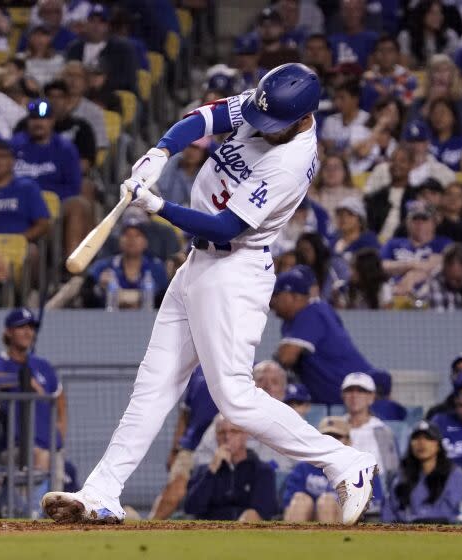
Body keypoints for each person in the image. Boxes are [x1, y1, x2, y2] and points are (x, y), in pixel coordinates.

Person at [42, 64, 379, 526]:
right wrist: (161, 151)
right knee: (154, 384)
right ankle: (103, 491)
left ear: (303, 120)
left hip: (234, 270)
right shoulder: (270, 103)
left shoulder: (292, 161)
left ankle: (345, 463)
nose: (261, 128)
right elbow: (206, 119)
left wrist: (157, 206)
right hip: (198, 266)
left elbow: (227, 226)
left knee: (235, 398)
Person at [272, 265, 373, 404]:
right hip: (340, 398)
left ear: (294, 297)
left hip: (359, 394)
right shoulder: (298, 317)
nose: (271, 301)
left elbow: (286, 357)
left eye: (276, 295)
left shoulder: (311, 312)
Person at [0, 307, 66, 472]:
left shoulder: (42, 365)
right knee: (40, 460)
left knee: (58, 491)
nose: (28, 332)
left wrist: (60, 434)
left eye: (31, 327)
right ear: (8, 332)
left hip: (51, 446)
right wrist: (20, 381)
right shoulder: (0, 364)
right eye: (21, 327)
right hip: (17, 448)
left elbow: (60, 398)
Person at [11, 98, 89, 254]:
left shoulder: (66, 149)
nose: (38, 123)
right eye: (34, 118)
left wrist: (43, 199)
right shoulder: (13, 145)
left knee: (78, 204)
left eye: (44, 119)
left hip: (53, 206)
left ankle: (71, 265)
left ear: (52, 121)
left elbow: (73, 188)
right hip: (20, 203)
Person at [149, 366, 218, 520]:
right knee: (174, 490)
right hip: (191, 448)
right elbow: (185, 414)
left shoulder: (249, 366)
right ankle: (150, 527)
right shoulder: (197, 372)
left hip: (230, 445)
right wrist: (175, 450)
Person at [183, 415, 279, 522]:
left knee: (251, 515)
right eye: (221, 432)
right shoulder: (203, 471)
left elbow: (265, 511)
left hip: (247, 532)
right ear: (216, 437)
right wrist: (211, 471)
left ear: (245, 435)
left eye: (234, 431)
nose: (227, 437)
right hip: (211, 532)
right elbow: (191, 508)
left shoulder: (262, 471)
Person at [283, 417, 368, 523]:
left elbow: (369, 511)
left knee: (327, 503)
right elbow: (288, 506)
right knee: (301, 501)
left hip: (344, 523)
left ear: (349, 441)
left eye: (337, 437)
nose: (331, 441)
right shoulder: (303, 468)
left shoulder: (360, 470)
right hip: (306, 519)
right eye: (326, 437)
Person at [381, 420, 462, 524]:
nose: (421, 443)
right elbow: (390, 507)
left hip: (438, 531)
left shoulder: (453, 473)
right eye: (416, 438)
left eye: (428, 438)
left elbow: (449, 510)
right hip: (402, 532)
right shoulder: (402, 472)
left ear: (438, 445)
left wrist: (416, 519)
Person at [83, 218, 168, 310]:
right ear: (120, 240)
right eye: (126, 235)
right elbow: (87, 294)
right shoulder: (103, 266)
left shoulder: (156, 267)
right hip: (108, 320)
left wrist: (123, 297)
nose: (131, 239)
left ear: (145, 242)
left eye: (137, 235)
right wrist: (98, 288)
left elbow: (161, 299)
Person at [380, 200, 452, 298]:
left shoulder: (444, 243)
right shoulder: (393, 243)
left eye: (424, 219)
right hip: (393, 292)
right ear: (407, 222)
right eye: (415, 219)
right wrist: (412, 265)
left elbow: (436, 268)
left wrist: (410, 277)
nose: (419, 223)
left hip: (429, 295)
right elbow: (381, 266)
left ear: (434, 222)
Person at [65, 4, 138, 94]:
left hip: (112, 96)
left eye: (101, 22)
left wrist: (103, 82)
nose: (96, 26)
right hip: (79, 95)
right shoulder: (74, 48)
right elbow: (67, 75)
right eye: (92, 21)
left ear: (108, 26)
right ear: (85, 24)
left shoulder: (123, 49)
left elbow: (127, 80)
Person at [340, 372, 400, 479]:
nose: (354, 395)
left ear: (372, 397)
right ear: (343, 396)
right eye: (349, 390)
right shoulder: (334, 427)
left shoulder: (383, 432)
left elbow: (393, 471)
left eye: (361, 391)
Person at [397, 1, 459, 68]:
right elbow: (403, 67)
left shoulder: (450, 35)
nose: (437, 17)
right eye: (432, 13)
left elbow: (454, 66)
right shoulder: (406, 36)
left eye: (440, 13)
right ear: (421, 15)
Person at [426, 98, 462, 171]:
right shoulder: (425, 142)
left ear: (453, 117)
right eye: (434, 113)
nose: (438, 117)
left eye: (442, 112)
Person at [332, 197, 380, 263]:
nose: (343, 218)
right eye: (340, 214)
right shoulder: (332, 239)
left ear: (360, 221)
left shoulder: (369, 242)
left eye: (350, 214)